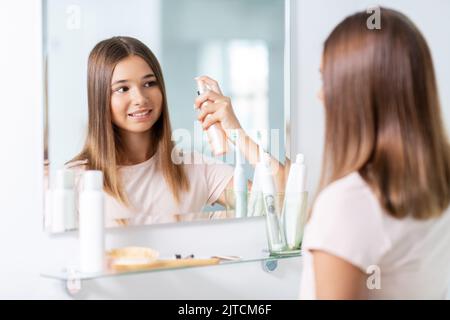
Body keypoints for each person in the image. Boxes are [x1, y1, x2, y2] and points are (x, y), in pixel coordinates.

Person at [299, 8, 450, 299]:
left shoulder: (348, 204)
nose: (321, 95)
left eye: (327, 80)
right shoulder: (437, 188)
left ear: (356, 91)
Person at [67, 36, 284, 227]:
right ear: (100, 98)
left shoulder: (196, 168)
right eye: (123, 89)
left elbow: (282, 204)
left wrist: (237, 132)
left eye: (149, 84)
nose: (140, 99)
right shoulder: (75, 180)